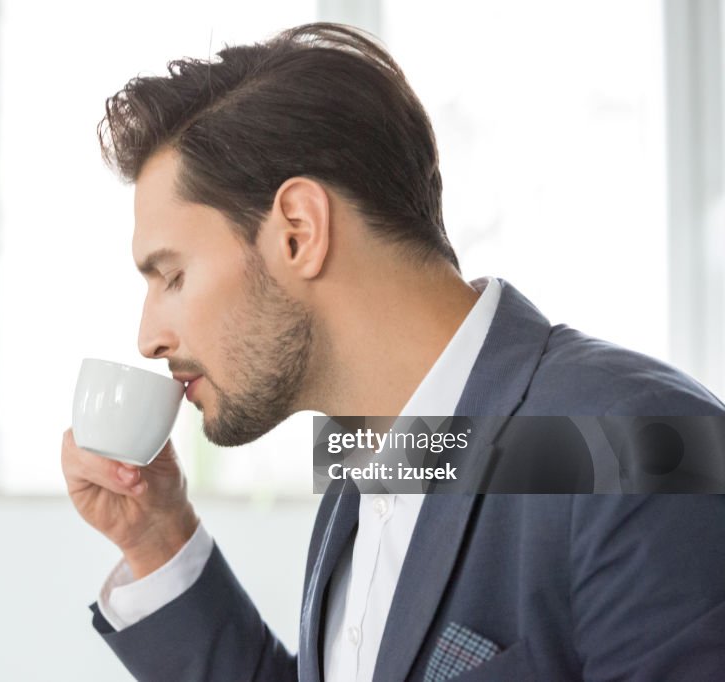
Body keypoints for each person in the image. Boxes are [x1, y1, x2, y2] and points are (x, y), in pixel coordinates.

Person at [60, 22, 725, 681]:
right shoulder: (363, 468)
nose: (148, 338)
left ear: (298, 232)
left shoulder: (647, 447)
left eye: (172, 275)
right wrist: (158, 540)